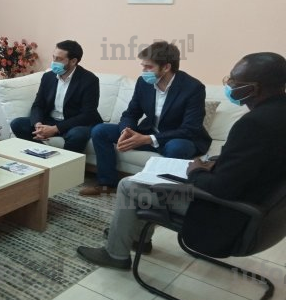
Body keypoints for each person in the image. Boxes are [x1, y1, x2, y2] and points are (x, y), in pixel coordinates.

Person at [76, 52, 286, 269]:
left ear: (254, 88)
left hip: (224, 211)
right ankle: (139, 239)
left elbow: (221, 187)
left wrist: (196, 171)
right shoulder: (277, 114)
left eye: (234, 80)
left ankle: (115, 255)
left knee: (130, 186)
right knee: (140, 168)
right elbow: (252, 162)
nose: (229, 84)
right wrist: (127, 131)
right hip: (255, 206)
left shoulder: (252, 123)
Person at [80, 41, 212, 196]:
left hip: (178, 138)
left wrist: (147, 139)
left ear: (166, 67)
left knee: (176, 147)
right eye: (143, 66)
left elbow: (190, 129)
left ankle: (161, 194)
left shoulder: (193, 88)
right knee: (100, 130)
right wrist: (126, 131)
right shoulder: (144, 82)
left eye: (149, 67)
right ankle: (106, 184)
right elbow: (131, 113)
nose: (143, 71)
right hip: (148, 132)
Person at [9, 40, 102, 153]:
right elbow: (38, 105)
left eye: (59, 59)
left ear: (73, 61)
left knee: (77, 135)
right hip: (51, 120)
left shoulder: (89, 80)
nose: (54, 62)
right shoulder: (48, 77)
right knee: (17, 124)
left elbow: (87, 115)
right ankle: (42, 154)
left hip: (75, 123)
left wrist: (55, 129)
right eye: (53, 57)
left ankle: (65, 163)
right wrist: (38, 125)